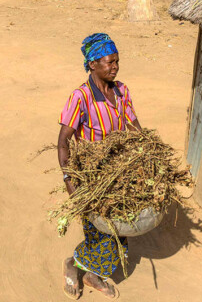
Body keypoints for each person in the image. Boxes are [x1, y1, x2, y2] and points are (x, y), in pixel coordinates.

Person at [58, 33, 142, 300]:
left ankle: (92, 273)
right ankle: (74, 264)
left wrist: (146, 153)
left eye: (117, 61)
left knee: (120, 230)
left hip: (121, 175)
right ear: (93, 64)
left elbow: (134, 127)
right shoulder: (80, 97)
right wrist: (70, 181)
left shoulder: (122, 91)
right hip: (93, 180)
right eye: (109, 62)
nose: (115, 67)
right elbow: (63, 143)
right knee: (98, 232)